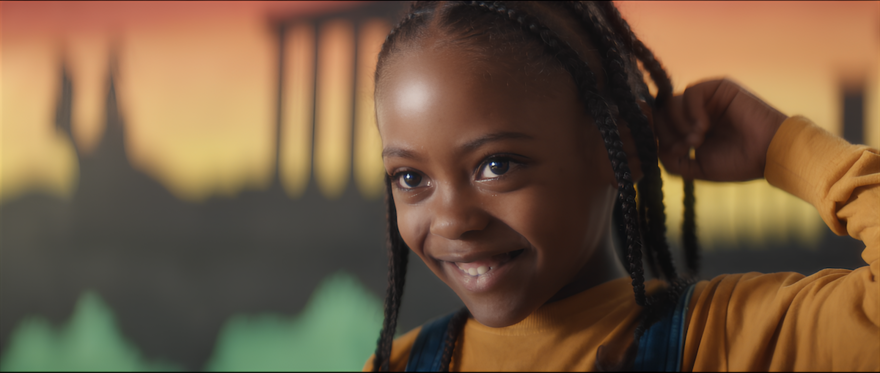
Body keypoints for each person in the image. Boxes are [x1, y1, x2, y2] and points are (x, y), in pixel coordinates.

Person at [362, 1, 879, 371]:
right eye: (411, 178)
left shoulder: (729, 338)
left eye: (497, 165)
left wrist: (783, 147)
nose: (452, 220)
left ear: (622, 149)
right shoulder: (401, 364)